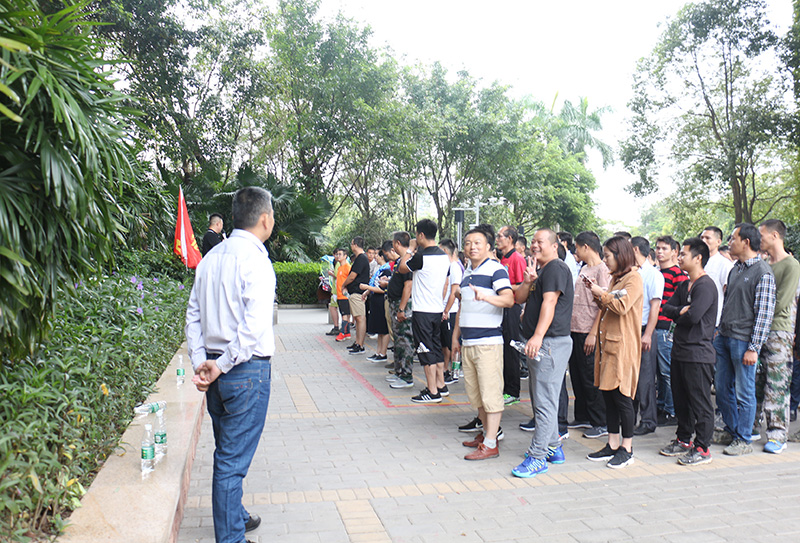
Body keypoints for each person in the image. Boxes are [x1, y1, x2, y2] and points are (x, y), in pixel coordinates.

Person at [186, 187, 275, 543]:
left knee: (227, 451)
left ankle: (234, 513)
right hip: (244, 372)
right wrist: (220, 365)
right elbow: (252, 329)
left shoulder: (211, 258)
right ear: (265, 219)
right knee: (230, 463)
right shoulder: (256, 261)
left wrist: (201, 362)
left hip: (217, 372)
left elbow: (193, 315)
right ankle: (232, 538)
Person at [510, 229, 574, 478]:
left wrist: (537, 336)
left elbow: (550, 303)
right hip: (543, 342)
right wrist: (528, 280)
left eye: (540, 242)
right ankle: (553, 448)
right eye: (532, 242)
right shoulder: (541, 270)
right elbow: (519, 299)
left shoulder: (557, 268)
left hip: (550, 342)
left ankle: (538, 457)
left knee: (545, 401)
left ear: (555, 245)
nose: (534, 245)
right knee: (541, 399)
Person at [713, 223, 776, 456]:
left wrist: (754, 348)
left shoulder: (763, 272)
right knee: (721, 389)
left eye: (732, 238)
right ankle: (733, 430)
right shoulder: (735, 269)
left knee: (745, 392)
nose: (729, 242)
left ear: (746, 242)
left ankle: (743, 439)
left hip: (743, 342)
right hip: (725, 337)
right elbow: (729, 303)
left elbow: (764, 315)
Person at [454, 225, 514, 460]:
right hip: (468, 342)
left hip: (488, 343)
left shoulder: (496, 270)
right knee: (475, 393)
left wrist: (486, 296)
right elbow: (463, 307)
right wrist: (456, 337)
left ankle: (491, 443)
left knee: (490, 393)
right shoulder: (467, 272)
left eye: (478, 243)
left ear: (489, 246)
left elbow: (508, 299)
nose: (472, 247)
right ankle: (485, 432)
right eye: (468, 243)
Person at [658, 238, 718, 466]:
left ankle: (702, 447)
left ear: (698, 258)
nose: (679, 257)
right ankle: (683, 439)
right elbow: (667, 308)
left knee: (699, 402)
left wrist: (680, 312)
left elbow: (694, 317)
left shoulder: (706, 285)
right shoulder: (684, 285)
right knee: (681, 400)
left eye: (683, 254)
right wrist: (680, 310)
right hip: (679, 351)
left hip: (698, 354)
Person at [586, 236, 644, 469]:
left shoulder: (633, 279)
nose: (605, 261)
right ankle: (612, 444)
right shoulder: (616, 279)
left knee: (622, 398)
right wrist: (595, 292)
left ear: (621, 255)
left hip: (623, 347)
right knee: (608, 396)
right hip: (608, 345)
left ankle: (627, 448)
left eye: (608, 256)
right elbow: (608, 306)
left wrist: (601, 292)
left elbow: (621, 306)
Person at [753, 220, 800, 453]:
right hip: (758, 330)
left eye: (761, 235)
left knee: (777, 383)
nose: (758, 239)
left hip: (778, 331)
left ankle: (777, 434)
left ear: (774, 235)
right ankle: (751, 426)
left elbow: (781, 302)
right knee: (756, 381)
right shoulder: (763, 264)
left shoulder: (791, 265)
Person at [399, 219, 451, 403]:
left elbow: (402, 267)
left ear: (421, 235)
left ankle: (432, 391)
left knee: (425, 349)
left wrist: (409, 249)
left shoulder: (421, 256)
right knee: (436, 348)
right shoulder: (444, 256)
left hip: (423, 311)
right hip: (437, 310)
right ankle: (441, 385)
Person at [567, 231, 611, 439]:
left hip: (589, 330)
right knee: (576, 374)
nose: (575, 252)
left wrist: (594, 333)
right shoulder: (584, 268)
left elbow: (604, 305)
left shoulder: (603, 270)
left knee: (590, 377)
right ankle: (582, 414)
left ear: (586, 247)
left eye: (577, 247)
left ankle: (600, 421)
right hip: (575, 327)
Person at [630, 236, 664, 436]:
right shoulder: (632, 273)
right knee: (632, 377)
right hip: (631, 331)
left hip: (644, 331)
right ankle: (631, 417)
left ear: (635, 249)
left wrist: (648, 334)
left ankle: (648, 420)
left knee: (646, 378)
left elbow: (655, 306)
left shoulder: (653, 274)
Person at [654, 236, 688, 426]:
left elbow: (683, 304)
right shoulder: (657, 272)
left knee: (667, 372)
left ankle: (672, 410)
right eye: (658, 248)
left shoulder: (678, 274)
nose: (660, 252)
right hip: (655, 325)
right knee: (659, 372)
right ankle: (662, 406)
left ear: (674, 252)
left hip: (667, 328)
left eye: (664, 249)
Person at [498, 226, 527, 405]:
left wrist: (503, 287)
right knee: (502, 350)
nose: (497, 239)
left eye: (501, 236)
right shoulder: (501, 259)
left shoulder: (516, 258)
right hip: (502, 306)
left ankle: (513, 391)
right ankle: (504, 388)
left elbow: (524, 285)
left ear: (510, 239)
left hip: (513, 307)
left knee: (511, 349)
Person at [385, 232, 415, 389]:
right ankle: (399, 372)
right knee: (398, 340)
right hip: (395, 303)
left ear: (397, 243)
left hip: (402, 305)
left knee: (404, 340)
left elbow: (408, 285)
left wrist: (402, 308)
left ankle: (406, 375)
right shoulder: (400, 261)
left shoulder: (408, 261)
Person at [361, 246, 392, 363]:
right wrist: (367, 291)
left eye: (377, 255)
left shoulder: (387, 270)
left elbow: (383, 289)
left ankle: (383, 353)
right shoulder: (380, 269)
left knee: (384, 328)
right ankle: (378, 352)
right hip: (375, 300)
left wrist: (367, 287)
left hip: (381, 300)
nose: (375, 257)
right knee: (379, 328)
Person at [440, 238, 464, 385]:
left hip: (452, 310)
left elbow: (454, 292)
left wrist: (446, 310)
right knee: (446, 343)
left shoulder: (455, 266)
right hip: (448, 310)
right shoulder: (451, 266)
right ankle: (446, 370)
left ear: (445, 251)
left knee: (452, 344)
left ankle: (454, 372)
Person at [342, 237, 371, 355]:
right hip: (355, 292)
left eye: (352, 243)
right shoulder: (361, 258)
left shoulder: (361, 258)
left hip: (358, 292)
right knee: (358, 318)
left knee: (360, 318)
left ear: (355, 245)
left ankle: (360, 344)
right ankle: (357, 342)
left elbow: (352, 276)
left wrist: (344, 284)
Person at [700, 226, 733, 326]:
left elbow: (728, 295)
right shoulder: (696, 261)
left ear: (718, 242)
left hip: (713, 323)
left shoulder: (725, 265)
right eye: (702, 238)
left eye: (707, 238)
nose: (703, 241)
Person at [333, 249, 352, 342]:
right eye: (337, 254)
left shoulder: (347, 267)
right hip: (339, 295)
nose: (338, 256)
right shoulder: (340, 267)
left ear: (345, 256)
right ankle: (347, 333)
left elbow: (351, 279)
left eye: (340, 254)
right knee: (345, 314)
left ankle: (343, 333)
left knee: (345, 315)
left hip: (345, 296)